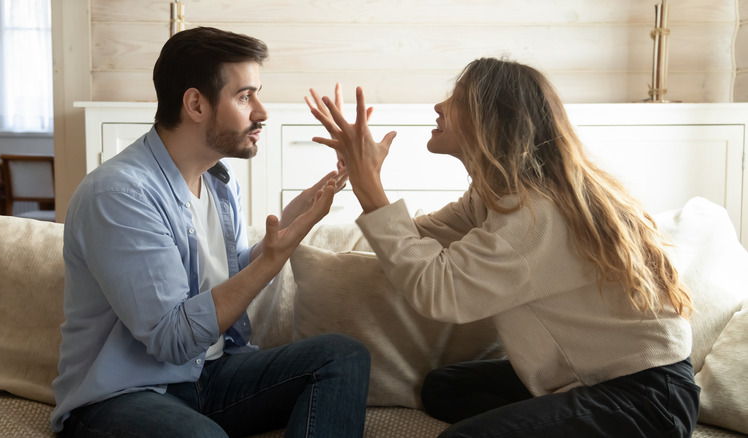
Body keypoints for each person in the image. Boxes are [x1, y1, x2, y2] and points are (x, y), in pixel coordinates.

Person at [306, 58, 700, 438]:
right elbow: (413, 240)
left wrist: (369, 184)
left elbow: (441, 292)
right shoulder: (496, 195)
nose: (438, 107)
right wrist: (361, 180)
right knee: (444, 389)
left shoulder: (537, 215)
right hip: (594, 377)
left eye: (456, 99)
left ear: (491, 119)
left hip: (646, 397)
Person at [51, 27, 370, 438]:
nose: (262, 111)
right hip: (123, 394)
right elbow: (172, 340)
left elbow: (235, 276)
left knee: (341, 357)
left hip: (209, 374)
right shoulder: (118, 195)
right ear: (196, 104)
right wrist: (273, 259)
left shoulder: (219, 180)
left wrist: (305, 211)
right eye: (245, 96)